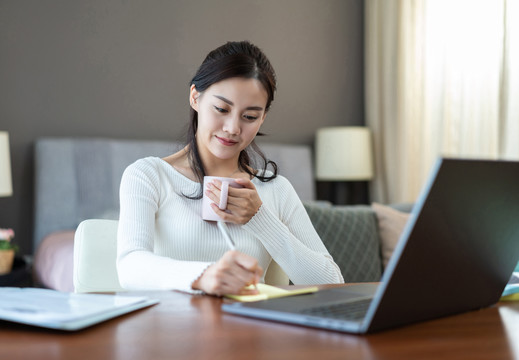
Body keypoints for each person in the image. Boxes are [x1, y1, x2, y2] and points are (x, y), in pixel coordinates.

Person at [117, 41, 344, 296]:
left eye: (249, 117)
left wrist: (260, 219)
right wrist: (203, 276)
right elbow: (130, 266)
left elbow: (332, 283)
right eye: (221, 109)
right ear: (195, 97)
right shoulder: (149, 176)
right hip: (172, 331)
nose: (233, 128)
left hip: (250, 333)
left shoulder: (275, 189)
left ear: (263, 118)